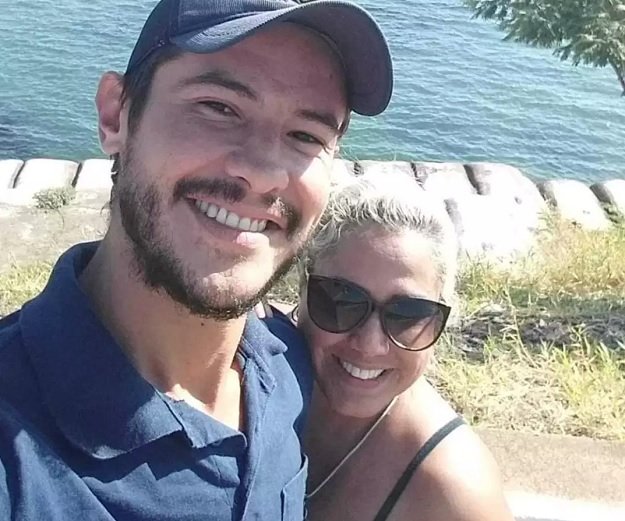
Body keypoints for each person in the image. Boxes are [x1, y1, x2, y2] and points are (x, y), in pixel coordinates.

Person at [0, 1, 393, 519]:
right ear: (116, 116)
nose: (263, 172)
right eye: (219, 107)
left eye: (306, 136)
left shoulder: (289, 364)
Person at [283, 170, 515, 520]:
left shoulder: (454, 490)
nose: (369, 344)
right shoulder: (244, 364)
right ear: (301, 288)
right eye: (342, 301)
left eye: (407, 314)